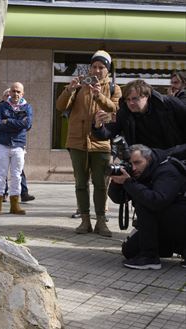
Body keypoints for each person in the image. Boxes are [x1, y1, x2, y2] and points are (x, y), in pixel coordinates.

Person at [56, 50, 122, 237]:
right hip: (77, 141)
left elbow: (116, 110)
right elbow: (60, 106)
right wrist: (70, 89)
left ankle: (101, 221)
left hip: (101, 142)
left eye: (101, 67)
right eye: (94, 66)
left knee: (101, 184)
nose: (97, 70)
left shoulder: (113, 88)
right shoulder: (80, 85)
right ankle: (85, 221)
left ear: (107, 69)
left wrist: (99, 95)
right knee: (80, 184)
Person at [108, 144, 186, 270]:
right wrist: (117, 183)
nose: (133, 168)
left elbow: (157, 201)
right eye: (131, 163)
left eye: (138, 162)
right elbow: (119, 199)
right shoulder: (139, 172)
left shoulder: (167, 170)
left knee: (145, 201)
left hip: (179, 220)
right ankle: (166, 248)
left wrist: (129, 183)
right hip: (166, 222)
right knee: (130, 251)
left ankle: (150, 257)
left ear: (148, 159)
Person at [92, 79, 186, 150]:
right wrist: (98, 126)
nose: (131, 103)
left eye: (135, 99)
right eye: (128, 99)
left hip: (172, 154)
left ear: (146, 97)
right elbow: (108, 133)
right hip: (144, 160)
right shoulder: (124, 112)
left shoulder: (168, 104)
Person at [0, 82, 32, 215]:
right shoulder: (2, 107)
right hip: (3, 144)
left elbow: (27, 124)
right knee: (1, 174)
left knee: (16, 175)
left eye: (18, 91)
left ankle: (15, 205)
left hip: (18, 145)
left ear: (22, 93)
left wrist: (7, 121)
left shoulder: (27, 107)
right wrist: (17, 124)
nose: (15, 94)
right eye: (13, 91)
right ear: (10, 92)